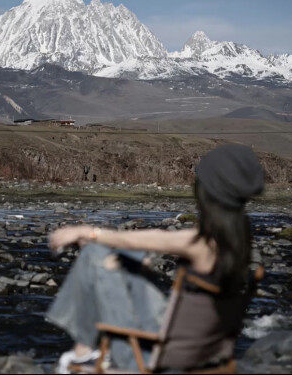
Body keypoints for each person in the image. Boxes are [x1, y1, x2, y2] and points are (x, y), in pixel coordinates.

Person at [47, 144, 264, 373]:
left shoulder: (202, 244)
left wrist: (89, 232)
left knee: (93, 253)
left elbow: (161, 239)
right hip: (204, 350)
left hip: (161, 355)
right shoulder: (239, 239)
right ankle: (84, 348)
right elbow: (163, 240)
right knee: (124, 257)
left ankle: (83, 352)